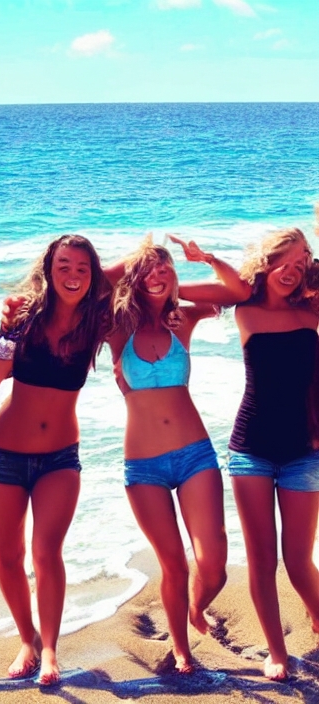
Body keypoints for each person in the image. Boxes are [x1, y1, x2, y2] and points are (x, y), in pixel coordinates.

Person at [177, 228, 319, 681]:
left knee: (298, 561)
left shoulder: (311, 308)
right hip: (251, 449)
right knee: (262, 560)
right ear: (267, 262)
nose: (292, 271)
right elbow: (172, 289)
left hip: (304, 452)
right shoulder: (244, 304)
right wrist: (208, 259)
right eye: (285, 261)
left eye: (301, 264)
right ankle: (276, 652)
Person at [108, 235, 251, 674]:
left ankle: (196, 607)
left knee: (214, 565)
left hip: (195, 456)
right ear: (134, 279)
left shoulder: (183, 319)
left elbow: (238, 292)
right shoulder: (116, 327)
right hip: (144, 466)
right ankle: (181, 648)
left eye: (163, 267)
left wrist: (201, 264)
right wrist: (133, 269)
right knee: (173, 565)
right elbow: (87, 286)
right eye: (147, 270)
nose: (156, 274)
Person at [0, 234, 112, 685]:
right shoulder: (23, 316)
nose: (72, 275)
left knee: (46, 551)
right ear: (48, 270)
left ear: (93, 275)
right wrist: (1, 337)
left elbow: (134, 272)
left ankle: (51, 650)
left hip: (59, 458)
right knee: (7, 557)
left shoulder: (97, 320)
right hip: (4, 456)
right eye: (63, 266)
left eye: (82, 268)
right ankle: (27, 639)